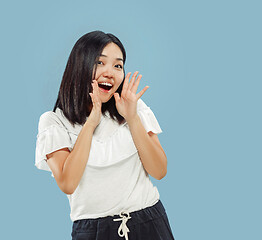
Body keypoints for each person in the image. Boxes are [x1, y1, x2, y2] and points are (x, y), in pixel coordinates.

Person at [35, 30, 175, 240]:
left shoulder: (132, 108)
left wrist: (132, 118)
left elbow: (159, 170)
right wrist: (91, 122)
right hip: (94, 231)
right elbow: (68, 183)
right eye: (100, 63)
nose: (110, 72)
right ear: (80, 66)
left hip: (149, 222)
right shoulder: (54, 122)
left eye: (118, 65)